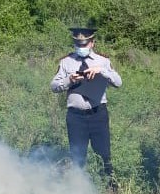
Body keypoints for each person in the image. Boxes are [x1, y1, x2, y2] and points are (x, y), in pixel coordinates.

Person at [51, 27, 122, 179]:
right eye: (78, 44)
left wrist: (101, 71)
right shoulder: (66, 62)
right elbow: (54, 86)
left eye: (84, 44)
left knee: (104, 154)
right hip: (76, 117)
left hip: (98, 114)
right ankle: (80, 189)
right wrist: (69, 80)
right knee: (78, 156)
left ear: (92, 43)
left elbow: (118, 82)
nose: (81, 47)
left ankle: (110, 186)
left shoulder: (103, 61)